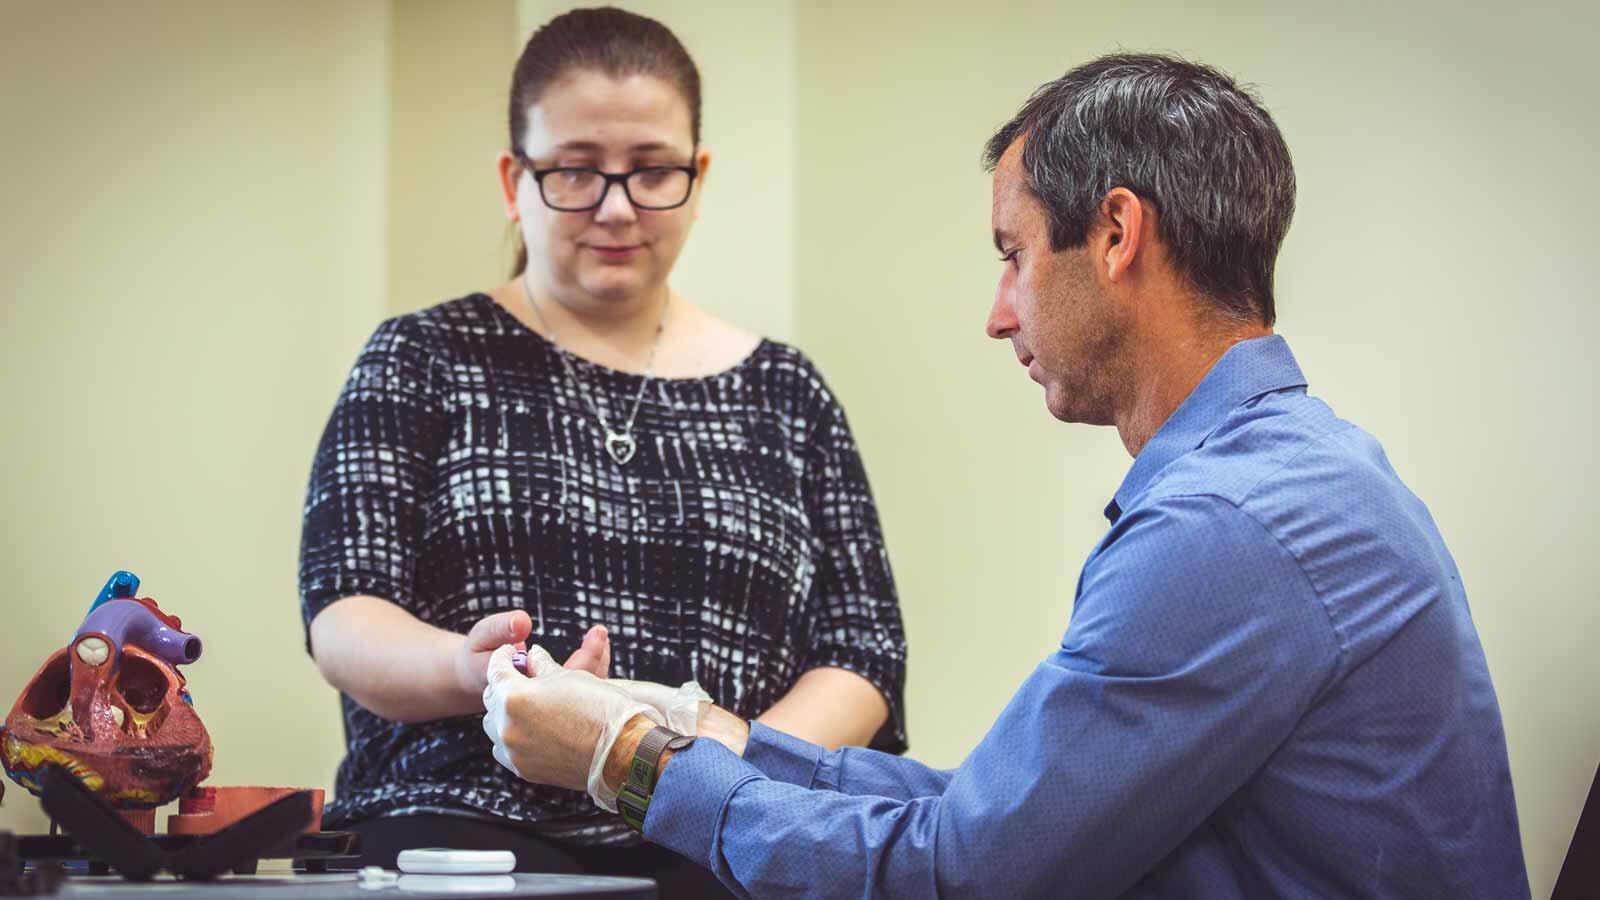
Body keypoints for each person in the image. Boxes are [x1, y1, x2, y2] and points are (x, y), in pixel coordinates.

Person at [479, 53, 1532, 899]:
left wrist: (629, 763)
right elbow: (1001, 817)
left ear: (1117, 234)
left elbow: (962, 873)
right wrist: (714, 734)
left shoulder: (1225, 528)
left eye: (1011, 254)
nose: (997, 312)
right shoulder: (1292, 475)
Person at [297, 7, 907, 895]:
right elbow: (345, 613)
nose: (617, 206)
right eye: (576, 171)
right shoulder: (419, 358)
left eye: (653, 170)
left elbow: (862, 652)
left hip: (728, 840)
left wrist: (702, 769)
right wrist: (467, 672)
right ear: (515, 180)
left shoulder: (789, 392)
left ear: (698, 176)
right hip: (463, 835)